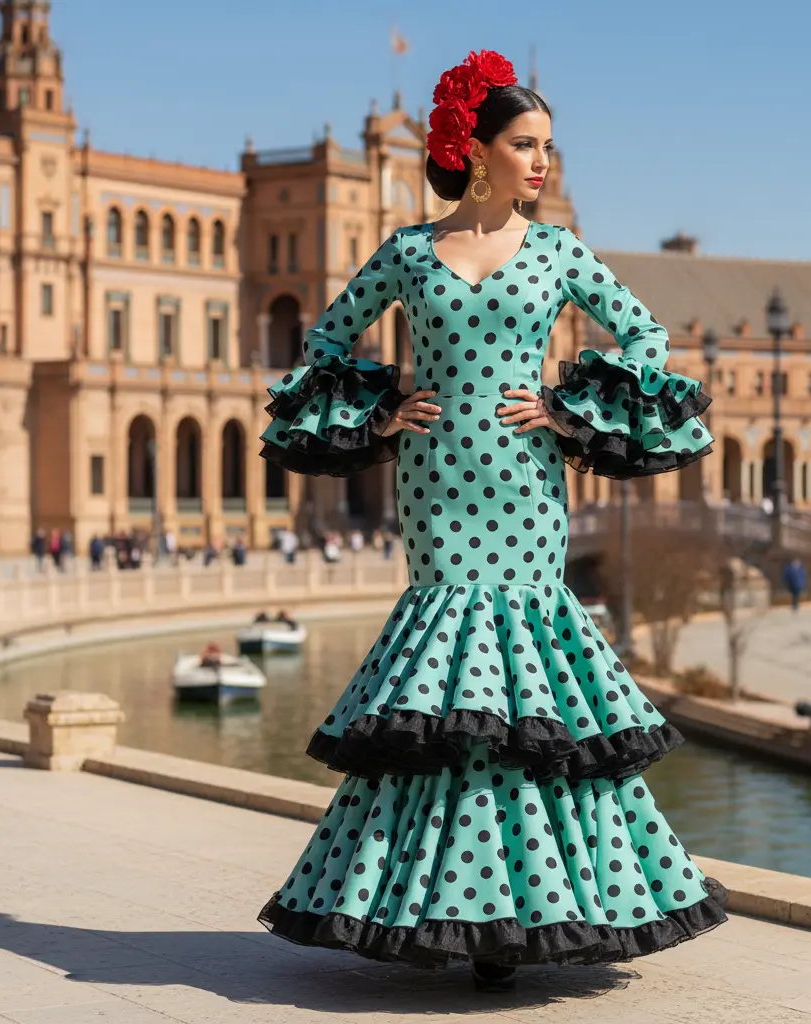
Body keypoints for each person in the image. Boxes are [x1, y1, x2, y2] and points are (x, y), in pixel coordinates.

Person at [255, 49, 726, 992]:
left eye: (549, 146)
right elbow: (325, 338)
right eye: (525, 144)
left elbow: (644, 334)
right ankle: (456, 907)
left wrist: (565, 409)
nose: (542, 161)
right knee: (447, 673)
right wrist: (385, 412)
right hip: (436, 477)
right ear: (476, 151)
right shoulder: (407, 251)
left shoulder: (559, 251)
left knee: (523, 666)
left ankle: (527, 907)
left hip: (524, 478)